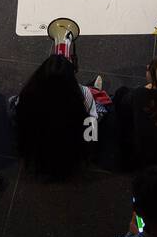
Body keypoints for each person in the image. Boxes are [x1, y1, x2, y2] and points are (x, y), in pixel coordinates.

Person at [13, 53, 101, 181]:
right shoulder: (83, 95)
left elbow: (20, 115)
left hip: (38, 145)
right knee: (98, 110)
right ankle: (96, 89)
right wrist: (89, 146)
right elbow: (91, 125)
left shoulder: (28, 95)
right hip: (70, 147)